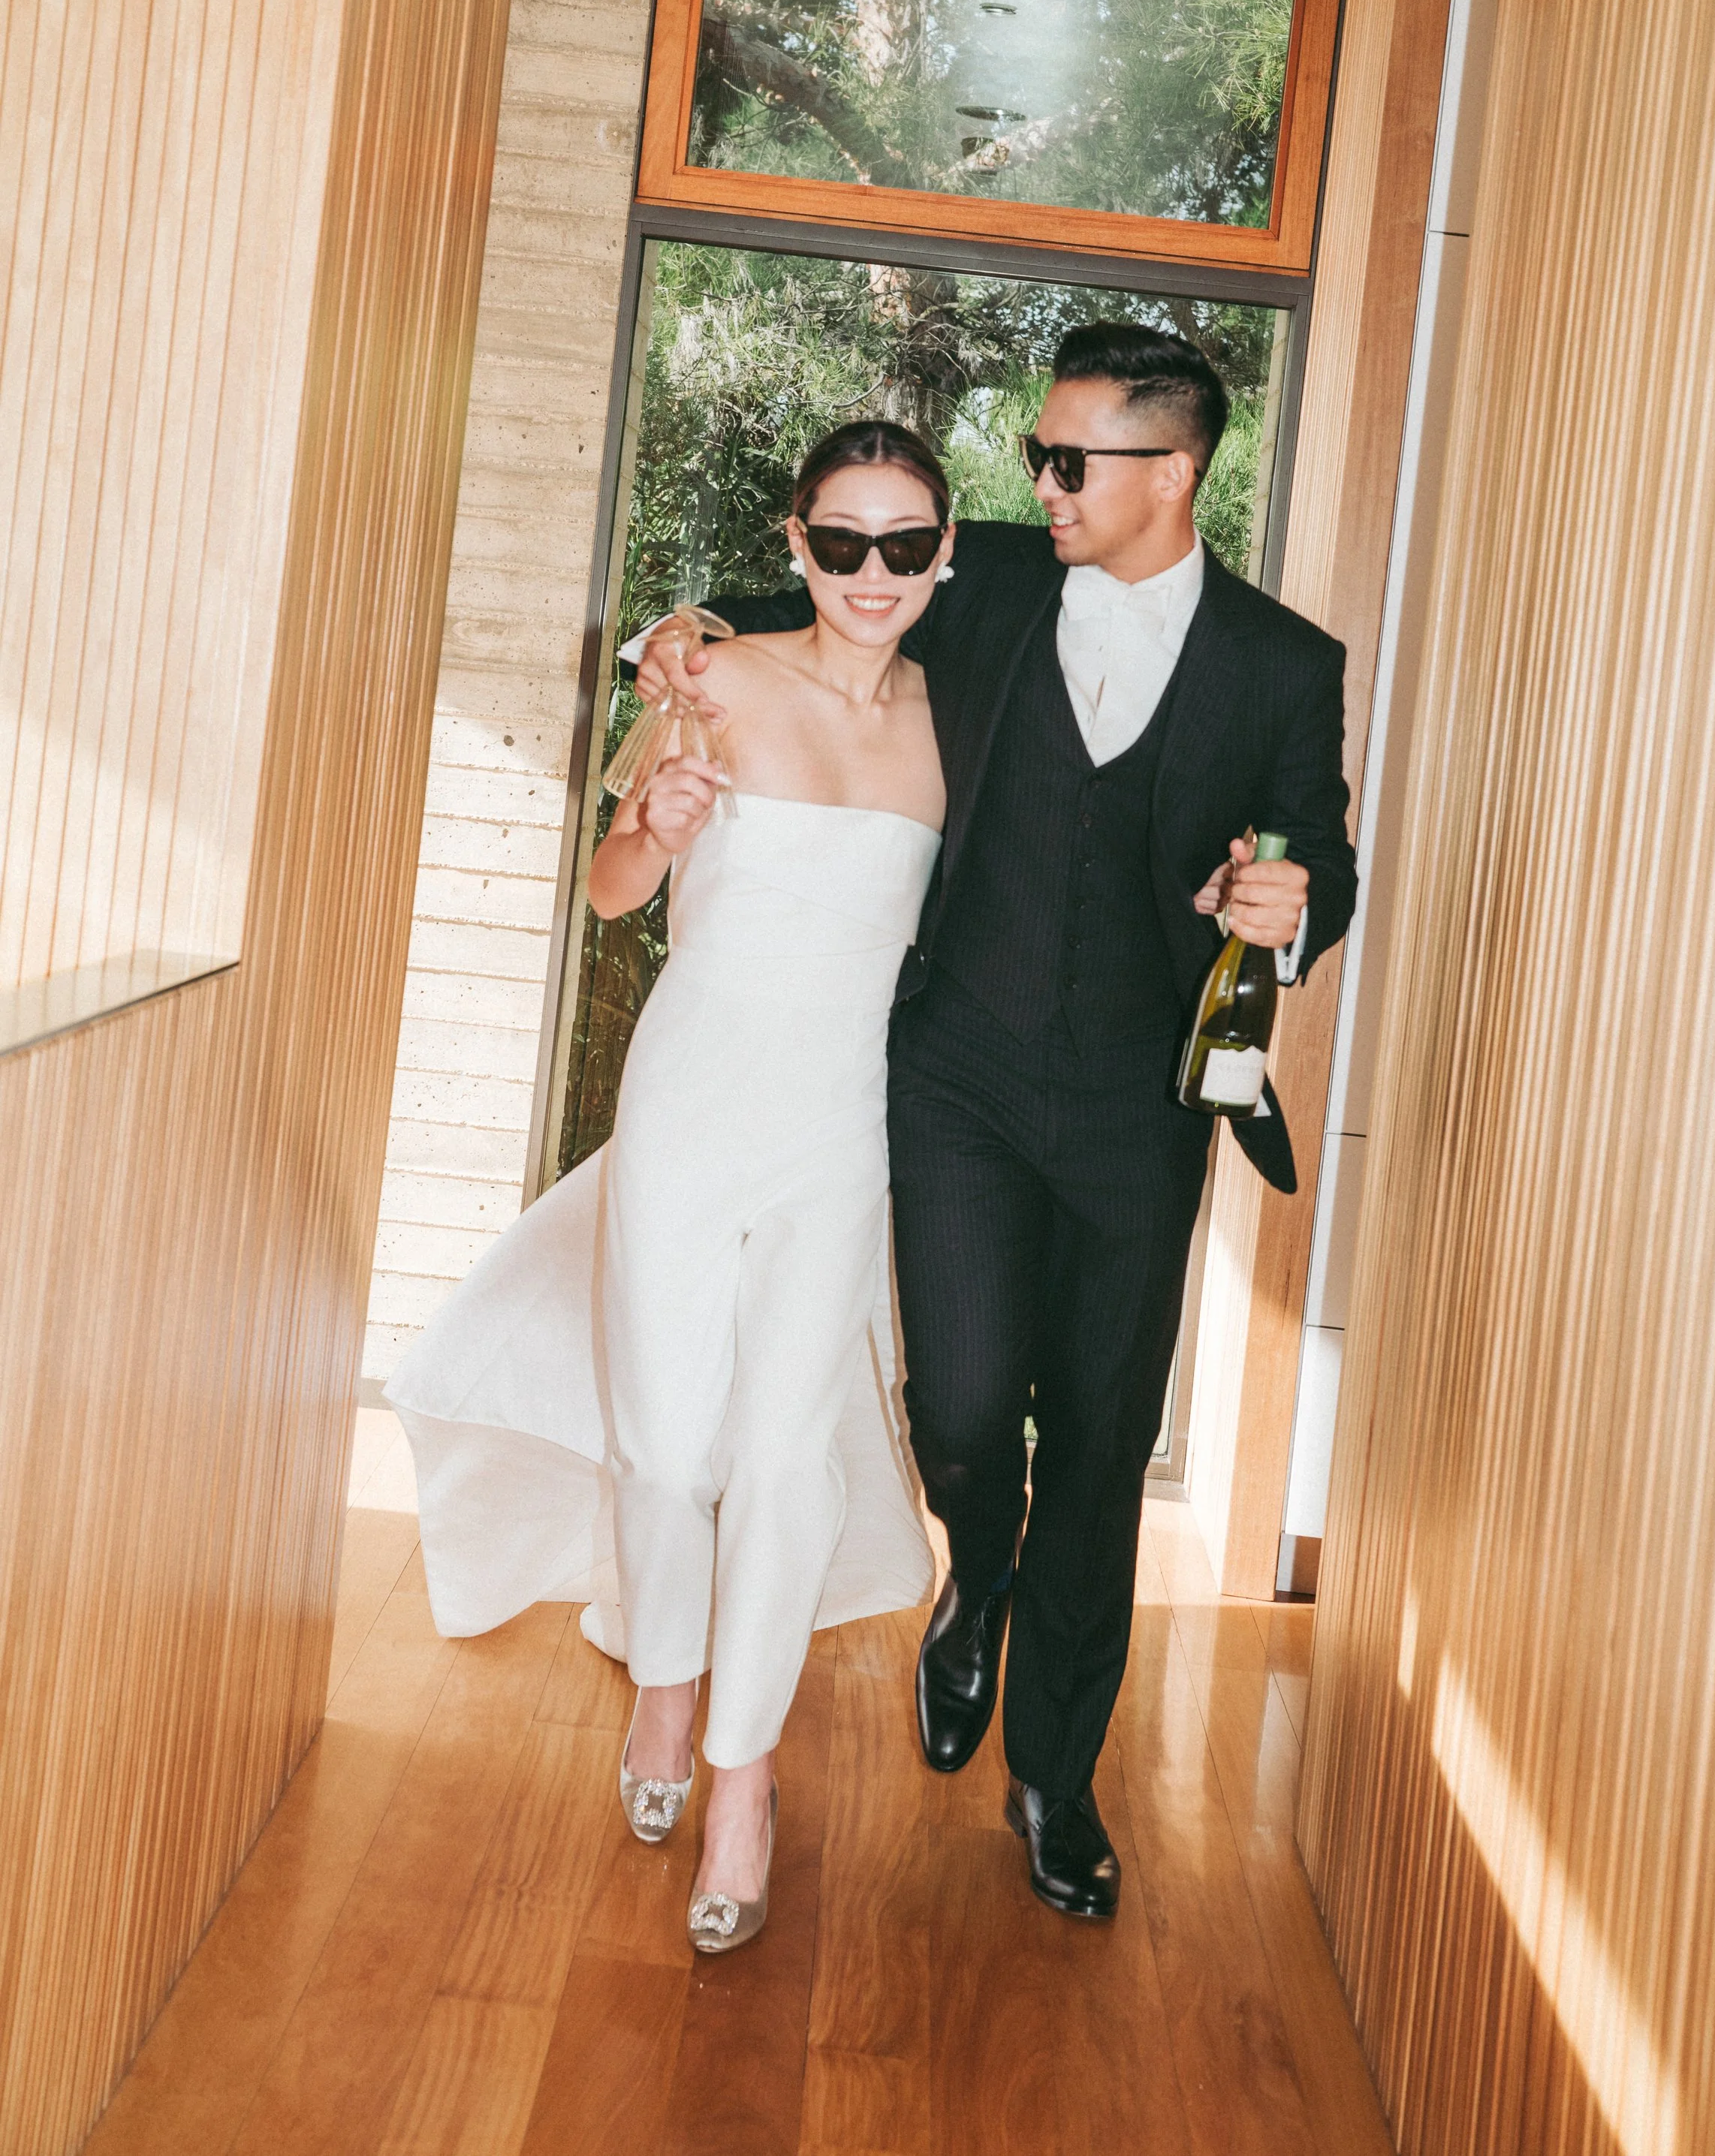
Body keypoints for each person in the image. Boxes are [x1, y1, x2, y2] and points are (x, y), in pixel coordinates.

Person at [636, 321, 1357, 1922]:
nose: (1042, 482)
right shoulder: (990, 584)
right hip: (955, 1075)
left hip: (1135, 1106)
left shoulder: (1282, 663)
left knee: (1099, 1444)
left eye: (1071, 458)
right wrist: (680, 632)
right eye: (1037, 454)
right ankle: (977, 1563)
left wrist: (1294, 901)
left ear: (1174, 472)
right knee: (962, 1409)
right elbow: (820, 598)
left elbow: (1321, 851)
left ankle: (1055, 1779)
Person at [388, 420, 954, 1956]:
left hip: (839, 1128)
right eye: (843, 542)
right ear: (795, 544)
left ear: (946, 554)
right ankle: (663, 1685)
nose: (874, 573)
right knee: (661, 1438)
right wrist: (650, 821)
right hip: (692, 1100)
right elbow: (611, 890)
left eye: (906, 543)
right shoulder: (714, 682)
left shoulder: (950, 718)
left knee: (781, 1453)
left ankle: (742, 1779)